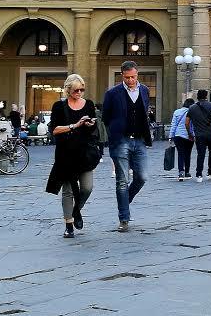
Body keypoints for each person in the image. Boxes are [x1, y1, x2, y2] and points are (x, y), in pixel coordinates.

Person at [101, 60, 153, 232]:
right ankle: (124, 217)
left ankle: (124, 201)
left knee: (142, 177)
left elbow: (144, 112)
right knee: (122, 180)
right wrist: (115, 133)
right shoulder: (113, 93)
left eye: (133, 77)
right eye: (127, 77)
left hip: (139, 139)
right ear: (121, 76)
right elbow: (106, 117)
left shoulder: (144, 90)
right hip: (121, 140)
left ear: (137, 74)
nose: (130, 80)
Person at [46, 74, 97, 238]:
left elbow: (90, 131)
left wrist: (89, 125)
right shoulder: (59, 106)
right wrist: (74, 125)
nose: (80, 92)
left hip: (84, 153)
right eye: (76, 90)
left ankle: (76, 210)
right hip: (66, 154)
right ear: (68, 90)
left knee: (87, 187)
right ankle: (69, 225)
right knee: (68, 191)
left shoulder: (88, 104)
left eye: (82, 89)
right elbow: (54, 130)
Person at [187, 89, 211, 182]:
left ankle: (199, 175)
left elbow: (187, 122)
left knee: (200, 154)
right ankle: (210, 173)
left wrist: (190, 133)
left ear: (197, 96)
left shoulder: (192, 107)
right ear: (206, 96)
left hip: (199, 135)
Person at [169, 98, 194, 180]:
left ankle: (181, 172)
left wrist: (171, 136)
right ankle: (187, 172)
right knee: (188, 154)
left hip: (178, 135)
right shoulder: (193, 112)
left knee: (180, 153)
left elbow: (173, 125)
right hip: (189, 136)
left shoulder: (177, 112)